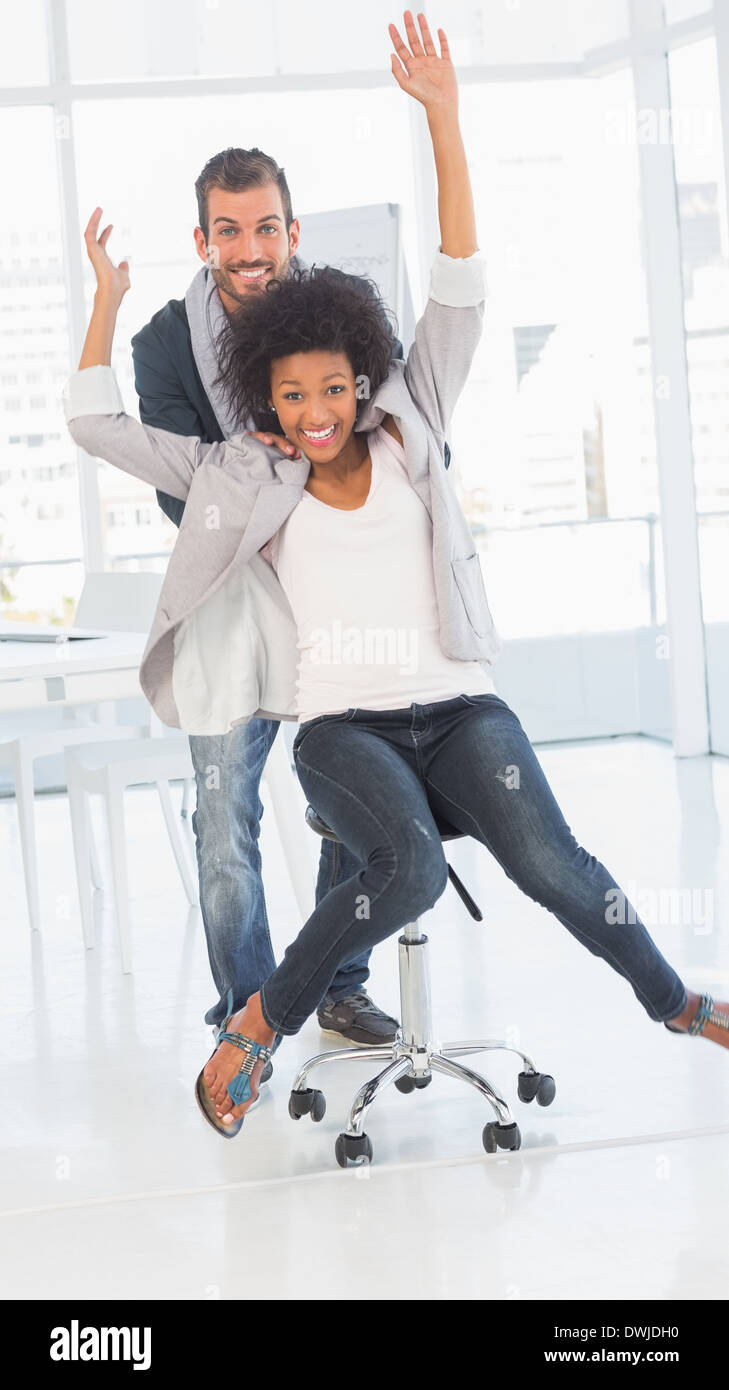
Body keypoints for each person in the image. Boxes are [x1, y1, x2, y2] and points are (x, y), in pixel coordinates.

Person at [64, 10, 729, 1143]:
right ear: (264, 401)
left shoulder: (412, 411)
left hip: (455, 705)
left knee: (556, 862)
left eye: (331, 390)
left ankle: (678, 1001)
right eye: (291, 399)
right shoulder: (246, 467)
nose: (316, 415)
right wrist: (106, 301)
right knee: (405, 864)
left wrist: (446, 122)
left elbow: (460, 280)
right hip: (339, 725)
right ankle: (258, 1022)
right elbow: (96, 426)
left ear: (358, 369)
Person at [131, 144, 404, 1052]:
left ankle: (333, 986)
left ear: (293, 230)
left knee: (347, 803)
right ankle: (246, 1013)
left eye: (265, 228)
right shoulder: (164, 343)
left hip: (335, 596)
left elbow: (386, 432)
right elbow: (180, 493)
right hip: (227, 609)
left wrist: (267, 462)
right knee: (221, 819)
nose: (249, 249)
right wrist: (279, 463)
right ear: (203, 238)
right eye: (228, 231)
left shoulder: (342, 314)